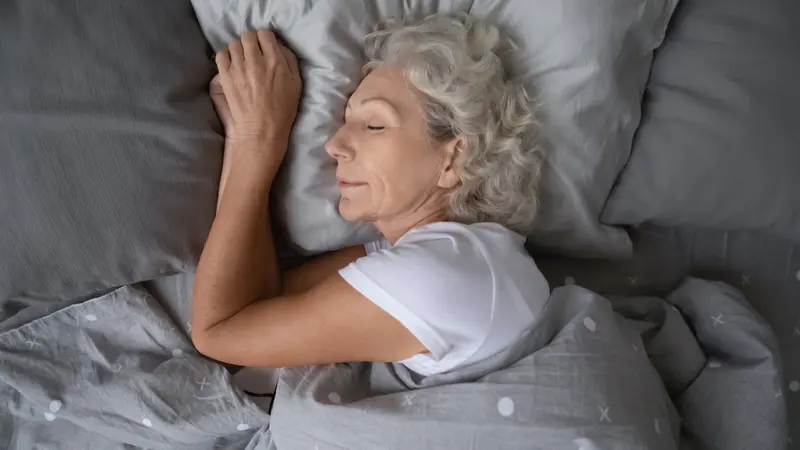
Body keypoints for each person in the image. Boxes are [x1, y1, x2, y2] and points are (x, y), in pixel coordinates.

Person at [192, 15, 550, 377]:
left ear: (453, 158)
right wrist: (244, 140)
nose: (335, 145)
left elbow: (220, 332)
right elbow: (262, 304)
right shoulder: (454, 256)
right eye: (346, 121)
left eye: (374, 124)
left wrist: (257, 143)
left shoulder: (435, 275)